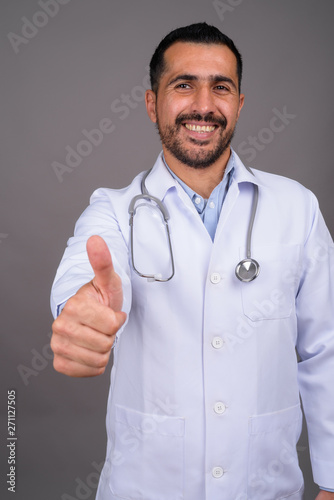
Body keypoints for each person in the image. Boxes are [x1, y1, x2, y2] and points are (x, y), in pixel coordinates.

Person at [50, 23, 334, 500]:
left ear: (239, 104)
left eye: (220, 87)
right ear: (151, 102)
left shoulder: (296, 208)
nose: (203, 105)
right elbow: (85, 272)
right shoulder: (115, 211)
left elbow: (326, 348)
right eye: (183, 85)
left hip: (266, 488)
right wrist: (80, 311)